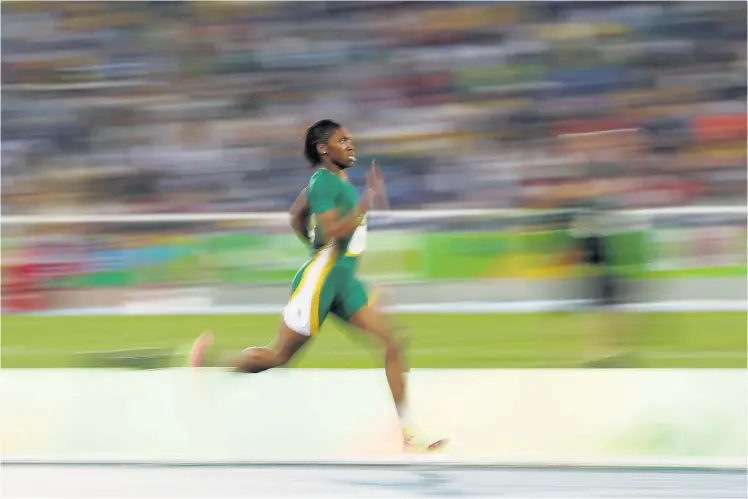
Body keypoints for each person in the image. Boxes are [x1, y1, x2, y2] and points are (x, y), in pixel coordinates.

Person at [188, 119, 444, 451]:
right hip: (321, 283)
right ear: (324, 149)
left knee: (393, 341)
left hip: (344, 282)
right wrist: (366, 200)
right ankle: (212, 361)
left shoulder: (334, 181)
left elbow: (296, 216)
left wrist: (316, 241)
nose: (351, 145)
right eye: (342, 140)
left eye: (351, 139)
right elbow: (334, 232)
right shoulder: (323, 182)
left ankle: (407, 433)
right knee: (278, 356)